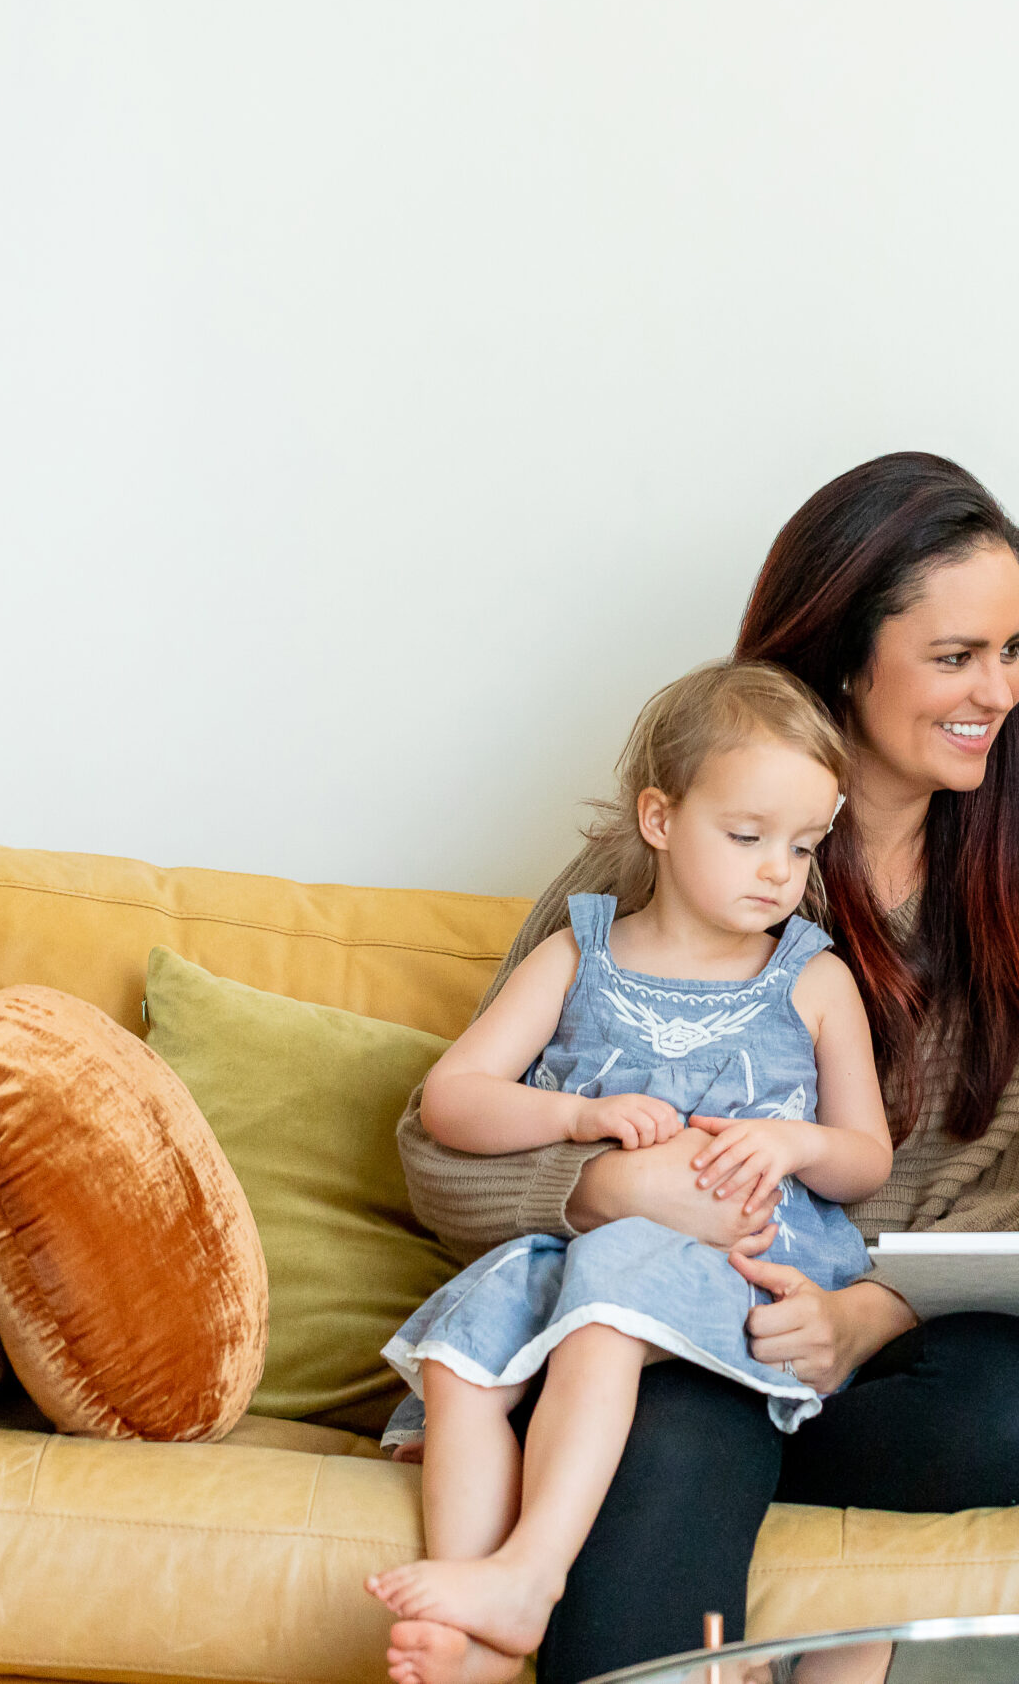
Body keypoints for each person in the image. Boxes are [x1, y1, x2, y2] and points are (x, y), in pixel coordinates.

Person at [386, 453, 1019, 1684]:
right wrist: (602, 1191)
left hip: (882, 1357)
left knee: (1011, 1405)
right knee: (675, 1410)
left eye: (1013, 650)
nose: (996, 690)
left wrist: (863, 1317)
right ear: (847, 654)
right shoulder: (642, 877)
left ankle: (699, 1546)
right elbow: (436, 1139)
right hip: (665, 1325)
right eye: (956, 655)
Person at [363, 662, 895, 1674]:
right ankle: (480, 1624)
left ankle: (534, 1569)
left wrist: (792, 1143)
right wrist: (577, 1113)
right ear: (658, 817)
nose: (778, 871)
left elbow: (864, 1160)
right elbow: (454, 1098)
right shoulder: (577, 953)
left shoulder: (814, 978)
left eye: (804, 845)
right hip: (590, 1242)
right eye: (747, 837)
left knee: (605, 1311)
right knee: (459, 1354)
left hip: (736, 1269)